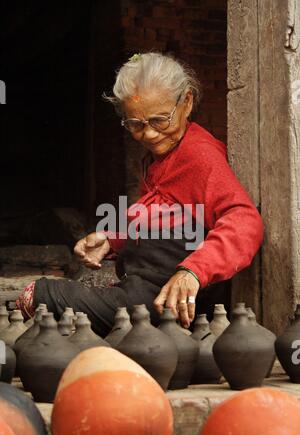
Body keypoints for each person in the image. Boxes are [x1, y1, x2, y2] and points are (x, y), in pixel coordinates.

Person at [16, 52, 263, 335]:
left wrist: (193, 271)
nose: (149, 135)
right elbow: (162, 210)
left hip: (167, 299)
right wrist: (113, 239)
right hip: (141, 286)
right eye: (136, 124)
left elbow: (244, 219)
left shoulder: (199, 156)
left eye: (160, 120)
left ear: (187, 102)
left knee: (46, 293)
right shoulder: (160, 157)